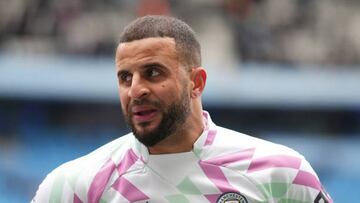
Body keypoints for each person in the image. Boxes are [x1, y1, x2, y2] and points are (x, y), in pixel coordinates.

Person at [33, 15, 333, 203]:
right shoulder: (74, 186)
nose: (136, 89)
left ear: (196, 82)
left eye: (153, 72)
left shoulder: (281, 173)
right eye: (125, 77)